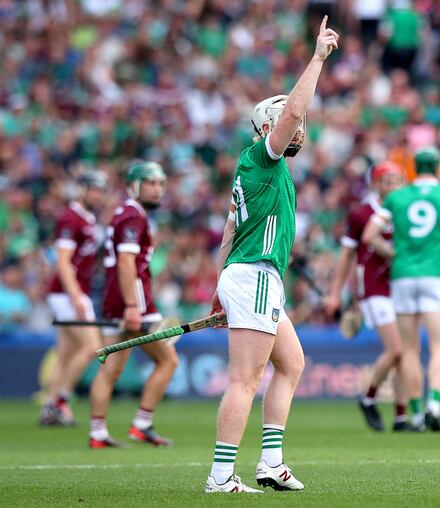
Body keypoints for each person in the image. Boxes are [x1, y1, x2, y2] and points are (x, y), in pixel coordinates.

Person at [204, 17, 339, 494]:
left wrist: (219, 291)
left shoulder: (262, 169)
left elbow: (228, 229)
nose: (298, 125)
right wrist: (318, 59)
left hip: (247, 276)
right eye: (286, 119)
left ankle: (271, 463)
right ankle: (221, 475)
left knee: (292, 363)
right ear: (268, 126)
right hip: (256, 276)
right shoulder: (263, 155)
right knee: (245, 379)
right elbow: (293, 112)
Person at [362, 147, 440, 432]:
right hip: (435, 277)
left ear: (414, 169)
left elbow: (370, 236)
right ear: (439, 168)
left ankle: (415, 414)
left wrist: (391, 252)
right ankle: (435, 405)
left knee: (409, 350)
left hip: (403, 276)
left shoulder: (396, 197)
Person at [88, 161, 179, 447]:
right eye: (150, 183)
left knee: (112, 367)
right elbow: (127, 262)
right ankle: (142, 423)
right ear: (134, 185)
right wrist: (131, 306)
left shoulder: (125, 214)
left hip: (117, 299)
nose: (157, 189)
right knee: (168, 360)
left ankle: (98, 432)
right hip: (134, 301)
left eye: (160, 183)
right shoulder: (133, 217)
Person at [324, 161, 407, 432]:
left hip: (402, 287)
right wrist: (335, 293)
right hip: (373, 289)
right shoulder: (362, 214)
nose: (394, 186)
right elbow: (347, 255)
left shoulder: (407, 210)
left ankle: (401, 416)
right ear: (377, 184)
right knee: (395, 350)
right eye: (388, 180)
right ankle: (368, 397)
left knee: (404, 354)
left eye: (399, 180)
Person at [40, 171, 106, 427]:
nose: (97, 195)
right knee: (91, 347)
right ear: (82, 190)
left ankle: (49, 406)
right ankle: (61, 402)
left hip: (72, 293)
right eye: (94, 189)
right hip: (68, 293)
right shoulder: (71, 218)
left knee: (66, 352)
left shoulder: (87, 219)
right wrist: (76, 296)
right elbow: (63, 262)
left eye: (100, 190)